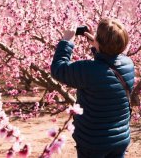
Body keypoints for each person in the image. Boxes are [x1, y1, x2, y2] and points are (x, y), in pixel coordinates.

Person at [51, 18, 134, 158]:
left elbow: (58, 69)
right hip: (120, 139)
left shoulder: (88, 70)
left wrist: (67, 41)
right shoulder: (128, 63)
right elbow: (105, 65)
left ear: (100, 42)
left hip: (93, 142)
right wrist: (97, 46)